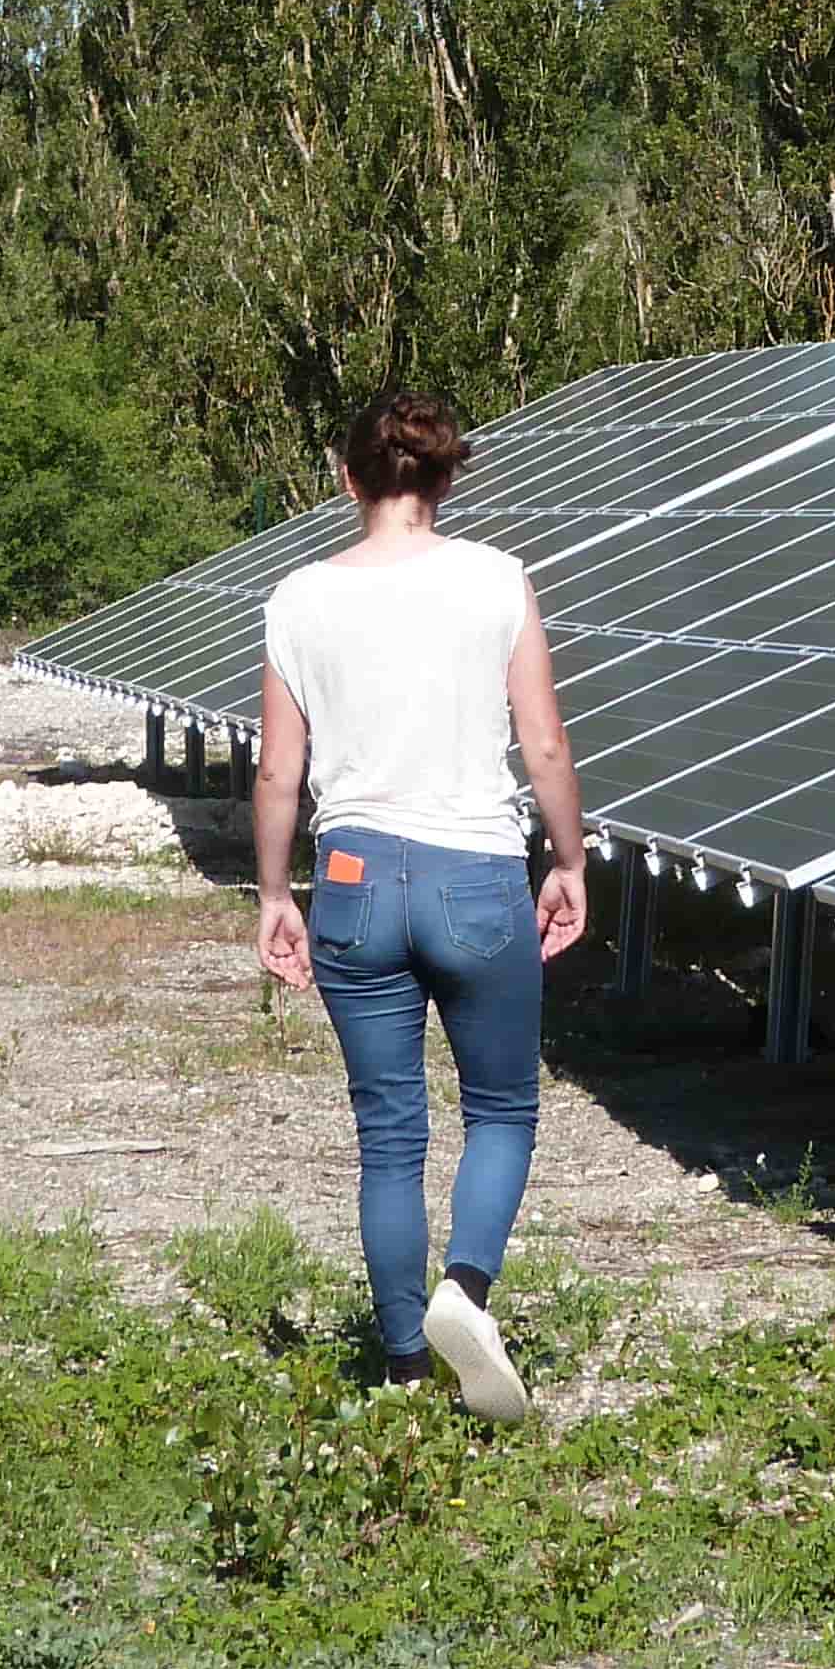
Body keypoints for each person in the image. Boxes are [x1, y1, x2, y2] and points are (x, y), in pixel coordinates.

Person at [252, 388, 587, 1423]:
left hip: (352, 878)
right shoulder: (497, 580)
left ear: (348, 479)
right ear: (447, 480)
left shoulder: (299, 596)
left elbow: (278, 772)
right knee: (501, 1109)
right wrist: (569, 858)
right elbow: (543, 745)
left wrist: (274, 891)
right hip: (476, 875)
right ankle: (465, 1291)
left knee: (389, 1133)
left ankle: (404, 1365)